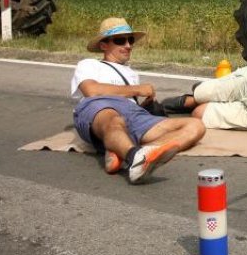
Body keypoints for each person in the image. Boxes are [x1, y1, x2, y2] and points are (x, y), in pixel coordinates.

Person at [71, 17, 205, 184]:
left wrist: (145, 106)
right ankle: (134, 157)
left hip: (132, 112)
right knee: (114, 119)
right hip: (99, 104)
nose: (128, 45)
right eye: (120, 40)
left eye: (130, 40)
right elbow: (91, 90)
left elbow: (130, 110)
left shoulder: (131, 74)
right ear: (104, 45)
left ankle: (127, 150)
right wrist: (137, 89)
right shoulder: (89, 64)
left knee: (195, 126)